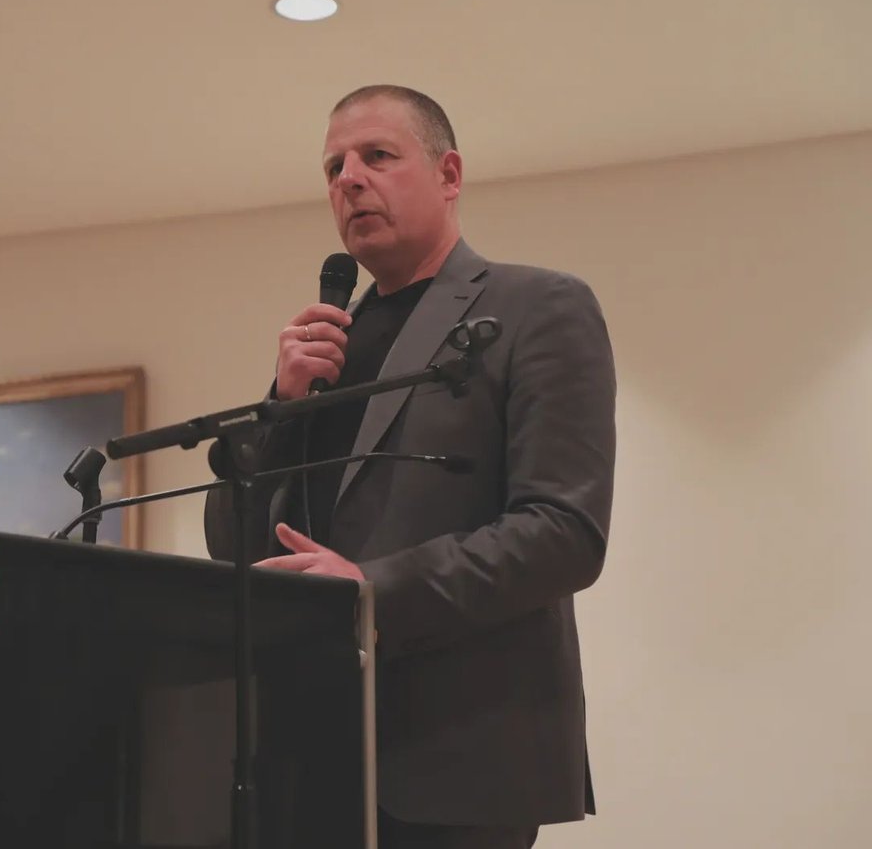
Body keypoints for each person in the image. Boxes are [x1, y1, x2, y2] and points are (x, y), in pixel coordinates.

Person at [204, 85, 616, 849]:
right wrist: (279, 408)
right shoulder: (324, 352)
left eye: (377, 156)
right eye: (333, 168)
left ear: (448, 173)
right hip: (304, 758)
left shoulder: (536, 308)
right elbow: (232, 548)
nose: (349, 180)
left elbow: (564, 533)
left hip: (459, 758)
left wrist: (369, 591)